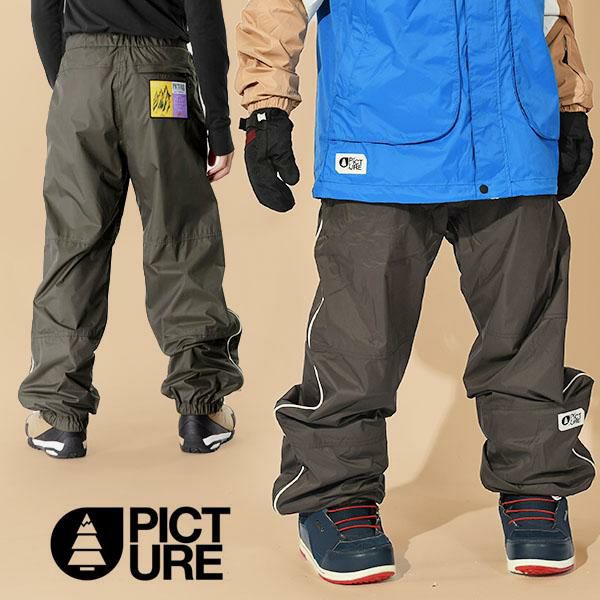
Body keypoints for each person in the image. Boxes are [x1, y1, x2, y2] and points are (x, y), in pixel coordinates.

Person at [237, 0, 595, 584]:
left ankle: (535, 485)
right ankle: (336, 493)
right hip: (380, 133)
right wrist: (266, 105)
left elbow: (551, 5)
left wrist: (569, 100)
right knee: (360, 332)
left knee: (527, 321)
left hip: (513, 129)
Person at [20, 0, 243, 459]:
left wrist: (73, 85)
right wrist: (218, 125)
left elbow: (44, 10)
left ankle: (60, 418)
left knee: (73, 243)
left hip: (82, 76)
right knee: (180, 237)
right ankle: (201, 410)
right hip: (161, 79)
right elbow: (202, 14)